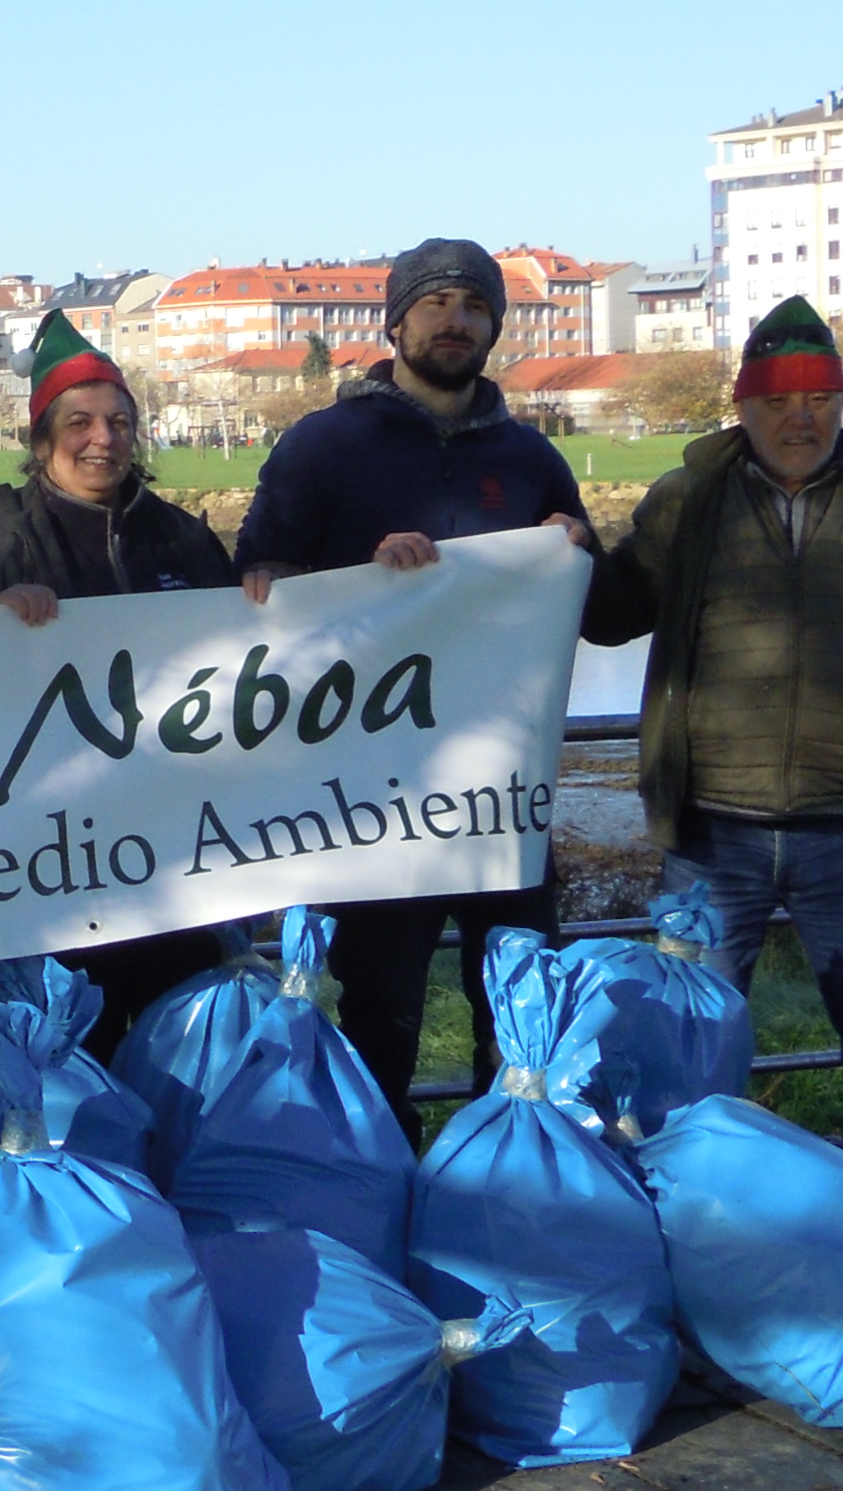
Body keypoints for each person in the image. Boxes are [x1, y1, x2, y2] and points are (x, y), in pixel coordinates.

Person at [580, 295, 843, 1183]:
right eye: (777, 401)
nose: (798, 418)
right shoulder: (688, 501)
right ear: (744, 406)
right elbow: (610, 616)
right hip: (710, 833)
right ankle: (673, 1200)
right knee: (686, 1033)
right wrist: (562, 551)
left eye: (818, 399)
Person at [235, 239, 597, 1121]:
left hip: (500, 790)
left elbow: (608, 614)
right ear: (394, 320)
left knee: (518, 1011)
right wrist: (364, 577)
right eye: (436, 304)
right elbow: (257, 587)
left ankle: (509, 1184)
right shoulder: (323, 445)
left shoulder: (530, 459)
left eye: (475, 308)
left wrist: (580, 554)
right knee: (379, 1016)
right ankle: (381, 1190)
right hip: (374, 797)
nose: (456, 321)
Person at [0, 309, 236, 1051]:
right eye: (80, 422)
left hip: (173, 867)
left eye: (120, 421)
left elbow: (243, 677)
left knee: (179, 1065)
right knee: (71, 1072)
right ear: (41, 439)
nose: (103, 439)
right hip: (49, 873)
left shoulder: (184, 540)